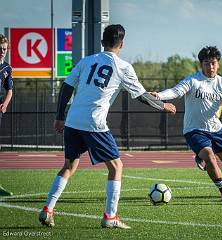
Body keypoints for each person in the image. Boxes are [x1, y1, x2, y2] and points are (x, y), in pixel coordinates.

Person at [39, 24, 176, 229]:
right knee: (116, 166)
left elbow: (66, 87)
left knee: (69, 165)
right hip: (94, 122)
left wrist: (60, 117)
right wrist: (163, 105)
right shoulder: (123, 67)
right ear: (122, 44)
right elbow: (141, 96)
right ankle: (110, 217)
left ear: (102, 42)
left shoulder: (86, 61)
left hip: (73, 120)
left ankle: (48, 209)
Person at [151, 46, 222, 202]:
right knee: (209, 156)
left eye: (213, 63)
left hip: (217, 130)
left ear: (218, 64)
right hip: (194, 130)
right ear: (201, 64)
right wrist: (158, 95)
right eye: (206, 63)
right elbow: (176, 91)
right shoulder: (193, 80)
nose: (210, 67)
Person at [0, 34, 13, 197]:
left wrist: (5, 104)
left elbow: (9, 90)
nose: (2, 51)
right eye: (0, 48)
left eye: (4, 49)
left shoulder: (7, 68)